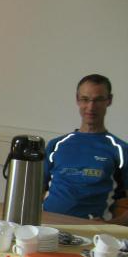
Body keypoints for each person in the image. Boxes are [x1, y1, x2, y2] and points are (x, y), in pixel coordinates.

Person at [43, 74, 128, 223]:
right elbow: (34, 192)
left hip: (90, 232)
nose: (91, 107)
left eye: (98, 100)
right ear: (77, 99)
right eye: (85, 99)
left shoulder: (120, 150)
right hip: (48, 226)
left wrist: (109, 225)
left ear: (109, 100)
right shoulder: (56, 145)